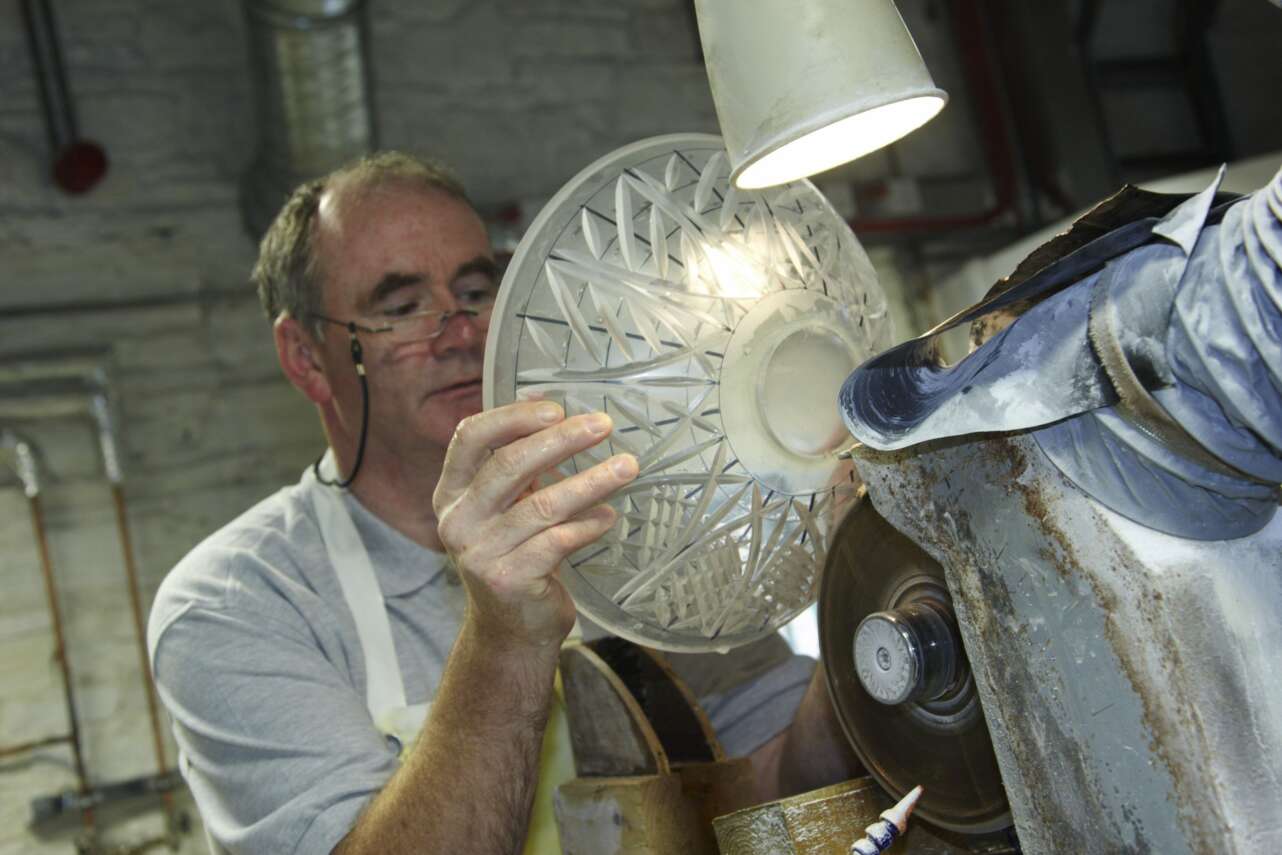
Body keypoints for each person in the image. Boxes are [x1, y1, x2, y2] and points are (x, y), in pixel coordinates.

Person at [147, 151, 860, 854]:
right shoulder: (238, 602)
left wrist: (863, 597)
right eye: (400, 308)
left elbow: (785, 795)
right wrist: (505, 638)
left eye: (476, 290)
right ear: (307, 358)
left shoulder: (636, 511)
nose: (459, 331)